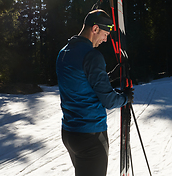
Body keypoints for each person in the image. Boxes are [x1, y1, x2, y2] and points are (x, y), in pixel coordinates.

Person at [56, 9, 134, 176]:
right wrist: (125, 98)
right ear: (95, 28)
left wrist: (109, 76)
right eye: (105, 34)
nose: (105, 39)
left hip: (70, 134)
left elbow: (80, 80)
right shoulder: (92, 55)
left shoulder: (63, 52)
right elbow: (109, 101)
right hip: (91, 135)